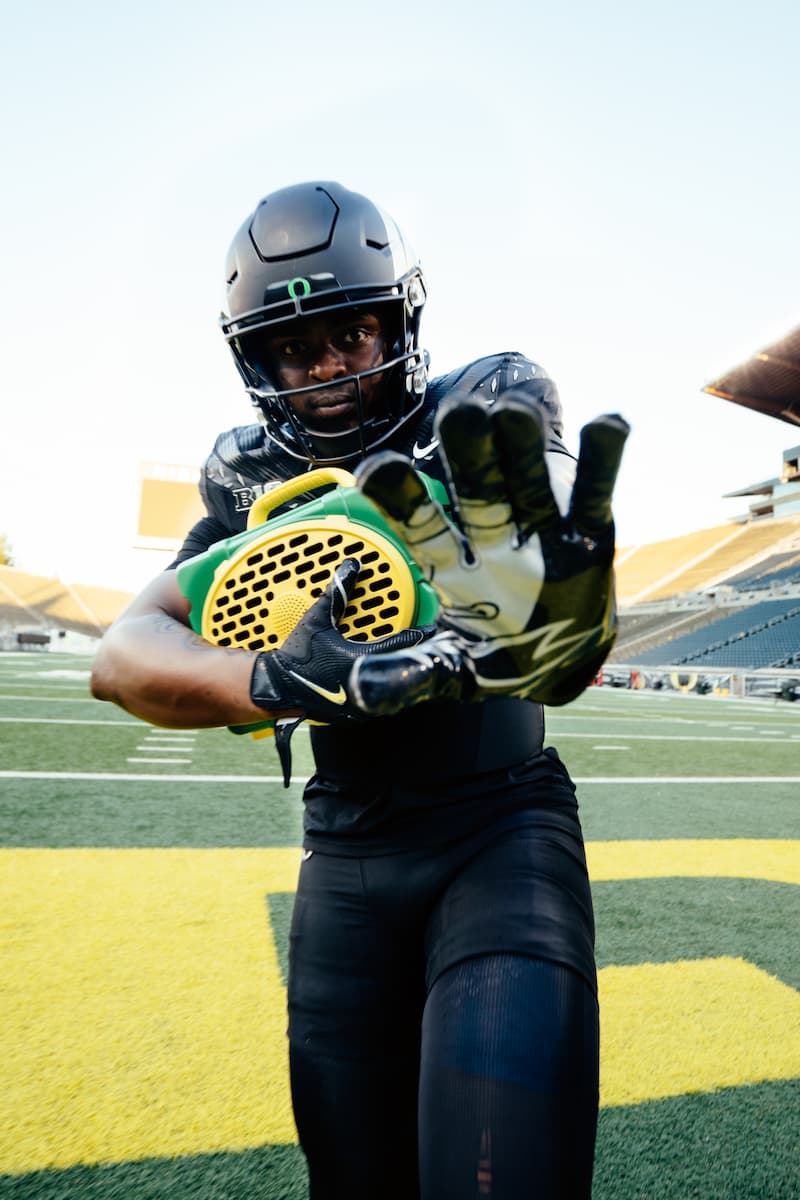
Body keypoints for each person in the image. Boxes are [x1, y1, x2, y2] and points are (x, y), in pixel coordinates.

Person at [91, 181, 628, 1199]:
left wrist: (565, 604)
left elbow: (557, 536)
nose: (327, 368)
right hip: (343, 851)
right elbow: (122, 653)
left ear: (400, 317)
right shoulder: (246, 473)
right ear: (258, 359)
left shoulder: (476, 402)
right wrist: (274, 676)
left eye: (351, 331)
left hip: (497, 828)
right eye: (295, 347)